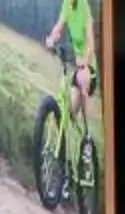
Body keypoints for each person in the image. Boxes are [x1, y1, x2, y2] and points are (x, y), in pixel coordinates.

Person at [42, 0, 98, 163]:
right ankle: (66, 163)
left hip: (89, 68)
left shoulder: (84, 7)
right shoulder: (67, 4)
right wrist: (52, 39)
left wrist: (85, 62)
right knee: (69, 114)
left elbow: (91, 43)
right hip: (78, 67)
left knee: (82, 79)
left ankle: (87, 139)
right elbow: (59, 27)